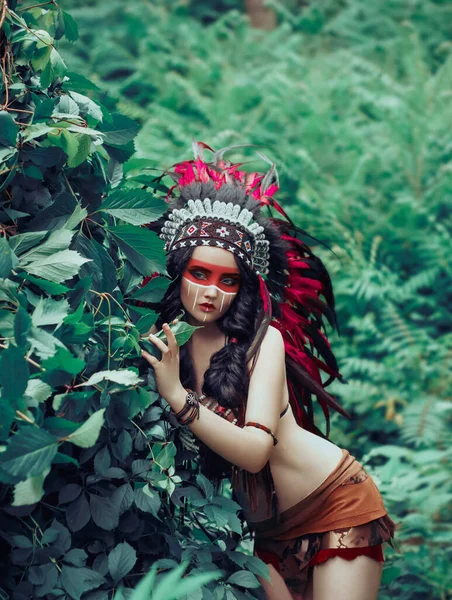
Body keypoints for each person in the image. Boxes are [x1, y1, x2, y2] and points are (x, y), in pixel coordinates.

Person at [141, 143, 395, 600]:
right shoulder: (160, 343)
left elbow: (257, 452)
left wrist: (178, 397)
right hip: (254, 532)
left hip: (334, 501)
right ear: (175, 271)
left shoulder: (262, 341)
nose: (211, 293)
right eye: (199, 273)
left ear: (242, 287)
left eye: (228, 280)